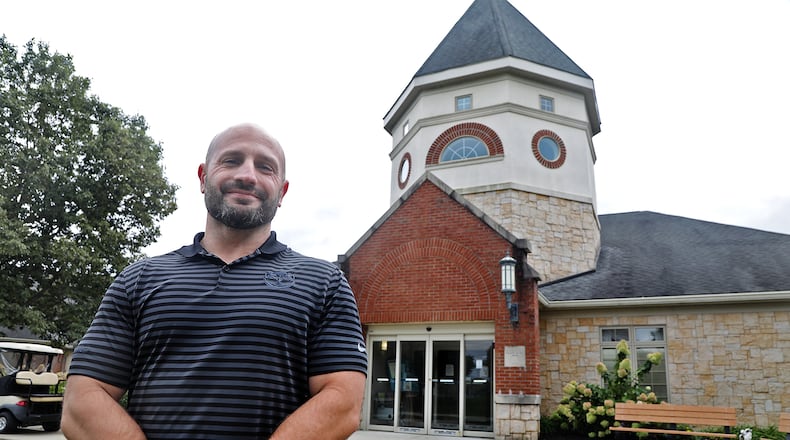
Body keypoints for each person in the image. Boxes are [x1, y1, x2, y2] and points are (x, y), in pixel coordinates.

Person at [62, 123, 368, 440]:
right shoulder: (138, 279)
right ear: (203, 177)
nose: (248, 176)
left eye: (265, 167)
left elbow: (343, 402)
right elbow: (81, 401)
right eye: (231, 160)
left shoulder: (325, 283)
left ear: (282, 192)